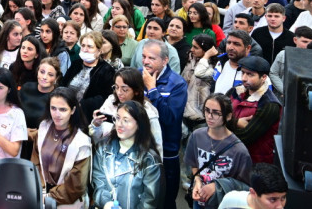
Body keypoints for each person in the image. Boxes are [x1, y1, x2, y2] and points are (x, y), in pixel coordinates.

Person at [91, 100, 165, 209]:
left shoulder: (149, 159)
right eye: (117, 118)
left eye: (126, 120)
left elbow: (150, 201)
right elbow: (99, 182)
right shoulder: (103, 148)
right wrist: (107, 203)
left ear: (139, 124)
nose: (119, 124)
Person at [185, 94, 253, 209]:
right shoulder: (196, 136)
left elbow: (245, 188)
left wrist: (217, 187)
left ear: (228, 116)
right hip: (199, 201)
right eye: (206, 110)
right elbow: (193, 164)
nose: (209, 116)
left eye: (216, 113)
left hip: (223, 204)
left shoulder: (239, 151)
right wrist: (197, 180)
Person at [28, 87, 93, 209]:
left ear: (73, 110)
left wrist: (48, 196)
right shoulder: (43, 127)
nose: (57, 114)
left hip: (69, 200)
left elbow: (76, 186)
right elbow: (35, 163)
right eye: (53, 108)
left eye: (63, 109)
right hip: (42, 193)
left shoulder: (81, 142)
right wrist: (41, 191)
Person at [141, 39, 187, 209]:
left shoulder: (177, 83)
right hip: (141, 148)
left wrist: (152, 90)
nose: (146, 61)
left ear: (165, 60)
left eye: (152, 58)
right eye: (144, 56)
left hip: (166, 153)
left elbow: (169, 118)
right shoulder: (138, 75)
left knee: (166, 200)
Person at [228, 56, 282, 164]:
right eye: (242, 72)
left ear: (264, 77)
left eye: (250, 74)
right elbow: (215, 114)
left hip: (253, 163)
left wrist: (223, 123)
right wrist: (236, 122)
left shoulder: (270, 104)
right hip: (231, 158)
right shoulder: (235, 91)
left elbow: (245, 137)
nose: (243, 78)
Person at [62, 31, 116, 122]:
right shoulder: (76, 64)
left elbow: (105, 97)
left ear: (99, 51)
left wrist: (82, 104)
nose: (85, 49)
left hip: (87, 116)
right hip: (65, 109)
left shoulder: (107, 70)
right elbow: (63, 84)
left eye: (90, 47)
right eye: (83, 46)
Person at [217, 163, 288, 209]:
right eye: (273, 199)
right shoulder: (231, 200)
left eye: (283, 198)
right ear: (253, 193)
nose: (280, 207)